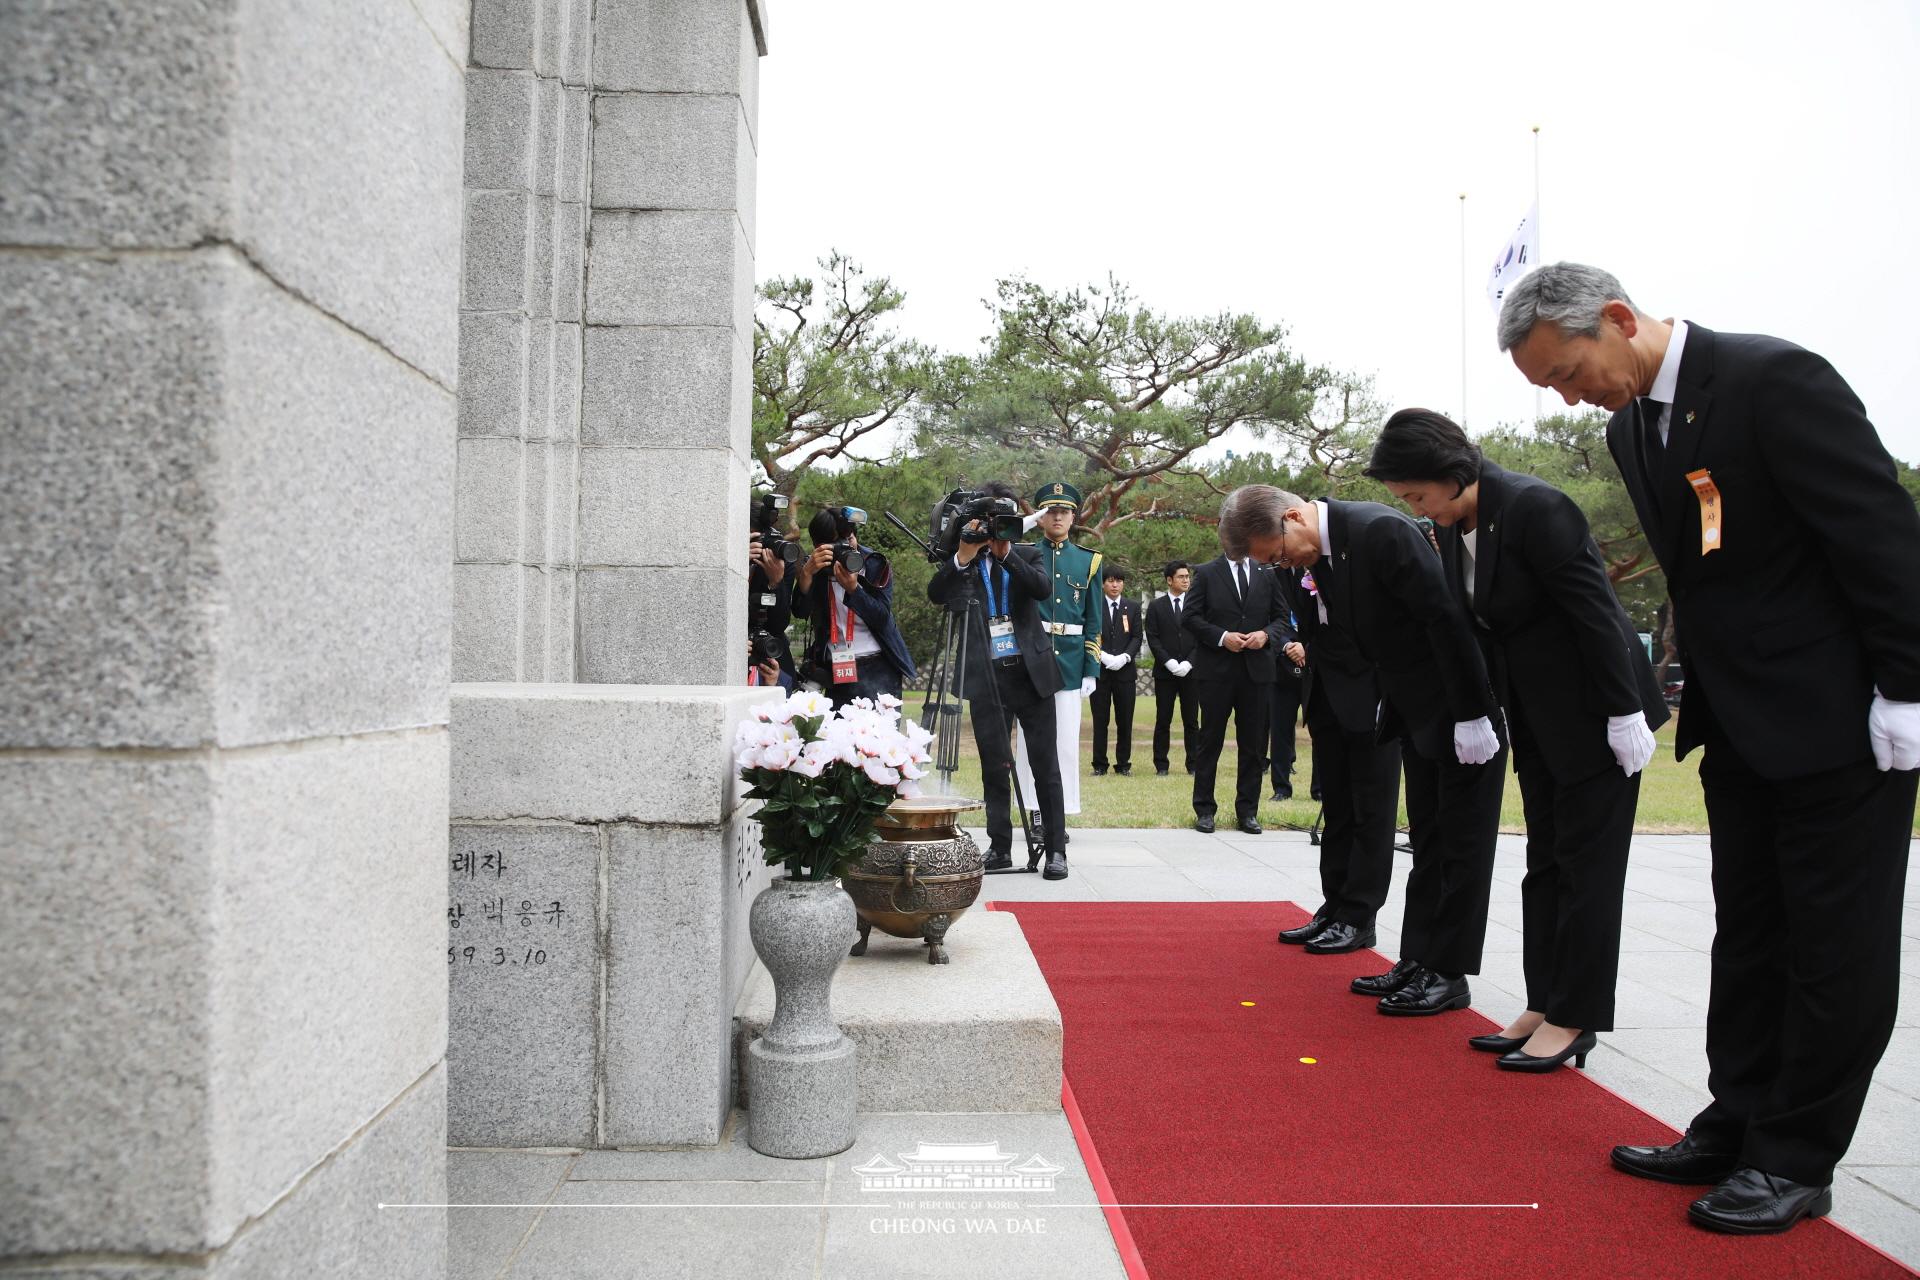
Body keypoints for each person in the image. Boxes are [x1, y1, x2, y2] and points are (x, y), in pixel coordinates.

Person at [1498, 262, 1920, 1234]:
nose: (1569, 394)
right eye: (1549, 386)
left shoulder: (1773, 379)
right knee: (1752, 934)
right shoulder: (1632, 425)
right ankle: (1736, 1117)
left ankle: (1795, 1155)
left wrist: (1905, 684)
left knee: (1833, 946)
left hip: (1842, 719)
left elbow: (1881, 536)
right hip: (1736, 722)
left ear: (1614, 318)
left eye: (1568, 370)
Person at [1367, 408, 1669, 1071]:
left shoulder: (1537, 507)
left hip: (1598, 714)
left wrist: (1624, 713)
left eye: (1418, 496)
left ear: (1450, 475)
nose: (1418, 510)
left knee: (1588, 871)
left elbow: (1594, 614)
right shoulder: (1458, 528)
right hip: (1538, 716)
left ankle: (1575, 1014)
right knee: (1547, 863)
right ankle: (1544, 999)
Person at [1244, 485, 1507, 1016]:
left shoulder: (1379, 532)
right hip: (1409, 702)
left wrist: (1475, 709)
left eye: (1276, 553)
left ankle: (1445, 967)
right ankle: (1420, 958)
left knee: (1451, 842)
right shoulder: (1331, 550)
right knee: (1428, 837)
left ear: (1291, 517)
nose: (1279, 565)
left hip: (1445, 703)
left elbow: (1442, 621)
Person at [927, 483, 1070, 880]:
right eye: (988, 524)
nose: (994, 531)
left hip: (1031, 676)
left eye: (1002, 524)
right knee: (994, 765)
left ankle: (1056, 848)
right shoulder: (966, 560)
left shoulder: (1028, 553)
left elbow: (1041, 589)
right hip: (985, 677)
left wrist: (1006, 557)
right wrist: (962, 556)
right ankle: (1000, 846)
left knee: (1046, 766)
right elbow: (936, 593)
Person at [1274, 559, 1403, 956]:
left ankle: (1359, 916)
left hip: (1371, 700)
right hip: (1326, 697)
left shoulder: (1357, 553)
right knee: (1338, 810)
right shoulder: (1295, 569)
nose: (1276, 561)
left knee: (1371, 814)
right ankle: (1334, 906)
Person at [1181, 495, 1295, 835]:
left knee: (1253, 746)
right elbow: (1190, 618)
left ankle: (1248, 811)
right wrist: (1221, 637)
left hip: (1257, 672)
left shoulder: (1267, 572)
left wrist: (1265, 635)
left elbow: (1282, 619)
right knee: (1210, 742)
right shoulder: (1205, 573)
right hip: (1216, 672)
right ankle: (1204, 809)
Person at [1014, 482, 1103, 842]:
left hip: (1069, 660)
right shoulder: (1021, 554)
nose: (1058, 517)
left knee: (1065, 742)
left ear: (1073, 516)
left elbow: (1094, 621)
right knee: (1030, 741)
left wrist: (1091, 668)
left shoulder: (1088, 561)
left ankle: (1058, 816)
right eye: (1051, 511)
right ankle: (1035, 812)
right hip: (1031, 658)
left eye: (1064, 511)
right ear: (1041, 515)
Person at [795, 507, 915, 708]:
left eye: (849, 539)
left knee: (880, 736)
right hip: (838, 668)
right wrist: (806, 576)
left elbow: (882, 618)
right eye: (837, 544)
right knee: (841, 736)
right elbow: (799, 611)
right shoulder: (815, 568)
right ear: (818, 545)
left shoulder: (874, 564)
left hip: (878, 665)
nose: (847, 548)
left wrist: (854, 589)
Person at [1144, 561, 1201, 776]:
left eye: (1188, 576)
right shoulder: (1156, 606)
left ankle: (1194, 764)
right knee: (1163, 719)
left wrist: (1188, 662)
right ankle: (1161, 765)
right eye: (1181, 577)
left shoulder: (1196, 605)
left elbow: (1200, 636)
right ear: (1169, 580)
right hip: (1165, 673)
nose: (1186, 580)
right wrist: (1168, 662)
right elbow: (1153, 637)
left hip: (1191, 671)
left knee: (1192, 720)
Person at [1090, 565, 1142, 776]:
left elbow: (1137, 636)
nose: (1115, 585)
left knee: (1125, 719)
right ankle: (1099, 764)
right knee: (1100, 720)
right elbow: (1090, 633)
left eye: (1119, 581)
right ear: (1103, 584)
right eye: (1110, 581)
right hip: (1101, 672)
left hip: (1125, 672)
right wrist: (1102, 655)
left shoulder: (1133, 607)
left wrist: (1125, 656)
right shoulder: (1094, 605)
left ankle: (1123, 764)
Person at [1268, 569, 1306, 800]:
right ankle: (1281, 787)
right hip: (1281, 665)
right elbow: (1267, 615)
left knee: (1322, 730)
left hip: (1316, 660)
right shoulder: (1271, 574)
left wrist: (1306, 647)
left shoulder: (1317, 566)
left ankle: (1320, 789)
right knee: (1280, 730)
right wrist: (1287, 645)